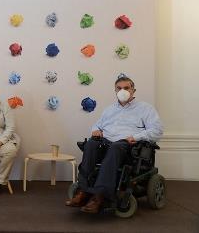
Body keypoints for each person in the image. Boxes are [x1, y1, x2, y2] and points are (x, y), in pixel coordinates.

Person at [65, 75, 163, 213]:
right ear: (115, 91)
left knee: (116, 147)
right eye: (119, 88)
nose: (123, 90)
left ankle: (99, 196)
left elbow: (157, 131)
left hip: (129, 147)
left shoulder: (145, 109)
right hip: (107, 143)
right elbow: (96, 126)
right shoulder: (109, 109)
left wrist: (136, 136)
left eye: (126, 88)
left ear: (133, 90)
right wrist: (95, 130)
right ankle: (83, 191)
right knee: (91, 144)